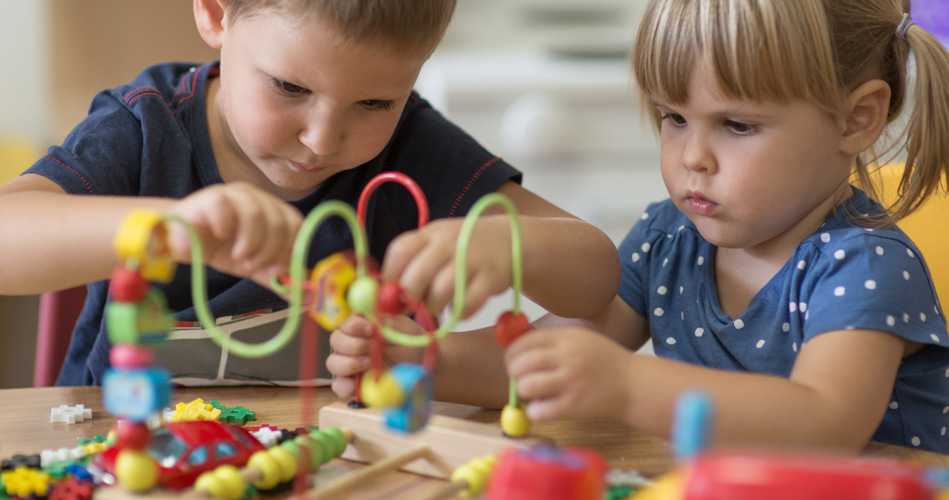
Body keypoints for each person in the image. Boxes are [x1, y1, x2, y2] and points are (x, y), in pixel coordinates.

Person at [329, 0, 949, 454]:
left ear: (856, 120)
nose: (691, 158)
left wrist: (627, 385)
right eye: (673, 117)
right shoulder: (671, 237)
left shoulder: (864, 266)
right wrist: (424, 360)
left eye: (737, 125)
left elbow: (824, 424)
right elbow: (550, 356)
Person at [0, 0, 620, 387]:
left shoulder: (411, 148)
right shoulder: (144, 129)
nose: (323, 139)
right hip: (127, 463)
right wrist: (170, 224)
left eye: (375, 102)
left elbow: (599, 277)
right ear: (217, 14)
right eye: (290, 87)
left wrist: (504, 242)